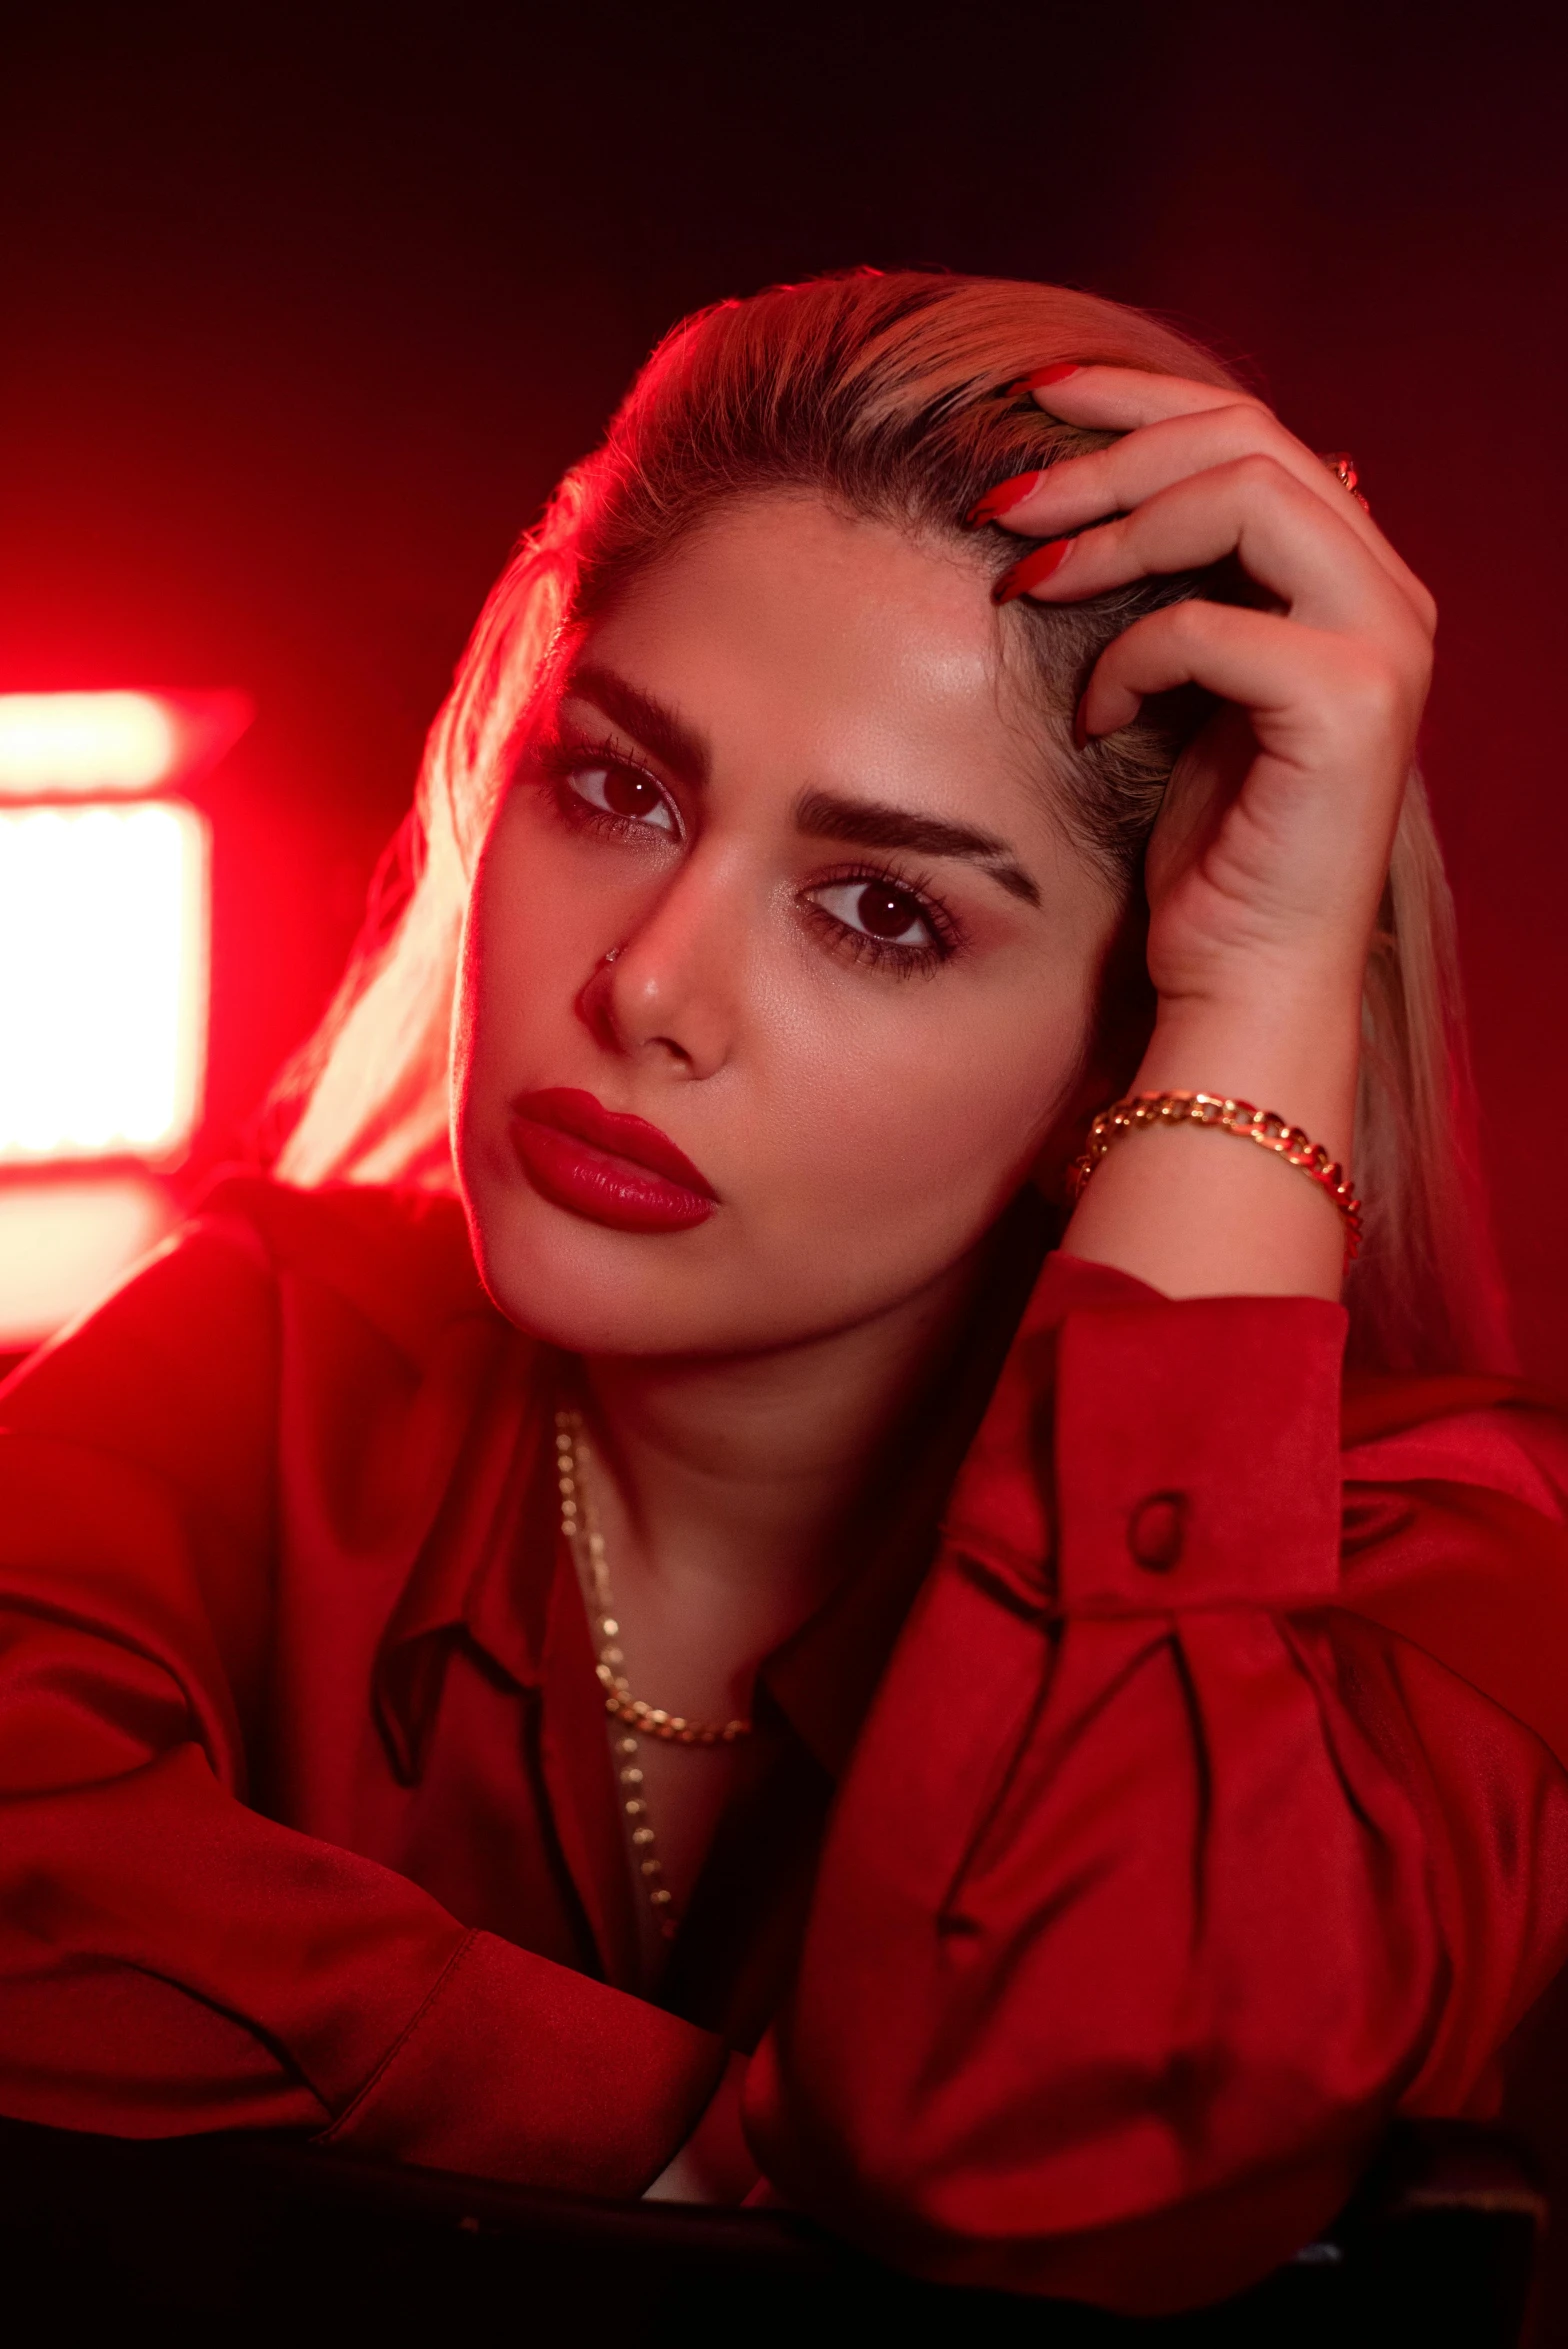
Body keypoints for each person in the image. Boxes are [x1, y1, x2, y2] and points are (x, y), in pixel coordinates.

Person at [3, 269, 1566, 2317]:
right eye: (616, 787)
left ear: (1135, 1054)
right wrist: (639, 2128)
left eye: (880, 910)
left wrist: (1269, 992)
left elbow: (1057, 2137)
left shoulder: (1444, 1558)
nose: (645, 985)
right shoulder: (272, 1352)